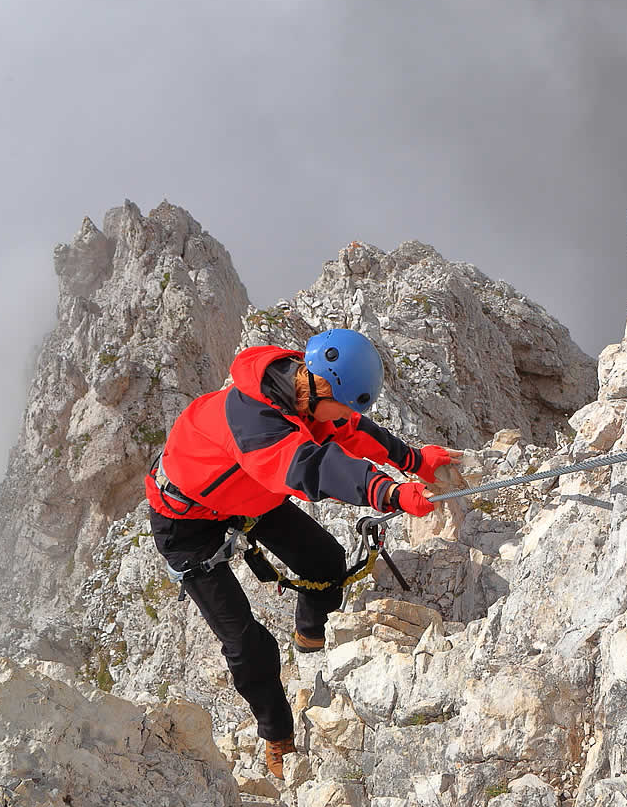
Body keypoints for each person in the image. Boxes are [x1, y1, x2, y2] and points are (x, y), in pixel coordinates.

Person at [144, 328, 452, 778]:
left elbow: (352, 431)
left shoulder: (305, 392)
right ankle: (277, 736)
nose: (345, 414)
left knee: (326, 562)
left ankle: (310, 637)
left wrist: (415, 462)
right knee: (247, 643)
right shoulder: (253, 419)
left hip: (249, 492)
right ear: (323, 386)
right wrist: (385, 492)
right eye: (342, 403)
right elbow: (313, 466)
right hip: (185, 520)